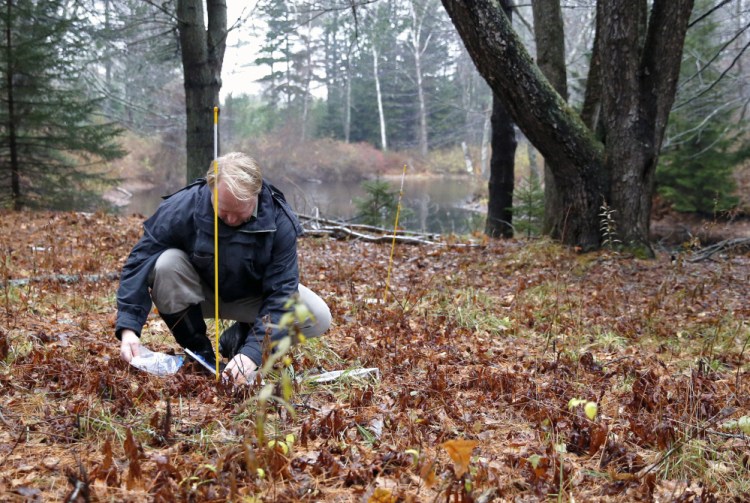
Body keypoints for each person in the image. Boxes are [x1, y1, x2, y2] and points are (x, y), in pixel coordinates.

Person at [115, 152, 331, 384]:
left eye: (239, 212)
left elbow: (281, 294)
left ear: (255, 195)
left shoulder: (279, 221)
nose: (229, 219)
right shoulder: (183, 206)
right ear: (211, 190)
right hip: (197, 294)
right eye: (223, 210)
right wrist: (129, 329)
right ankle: (200, 354)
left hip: (253, 298)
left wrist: (251, 354)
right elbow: (139, 261)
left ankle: (241, 337)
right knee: (165, 263)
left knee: (318, 317)